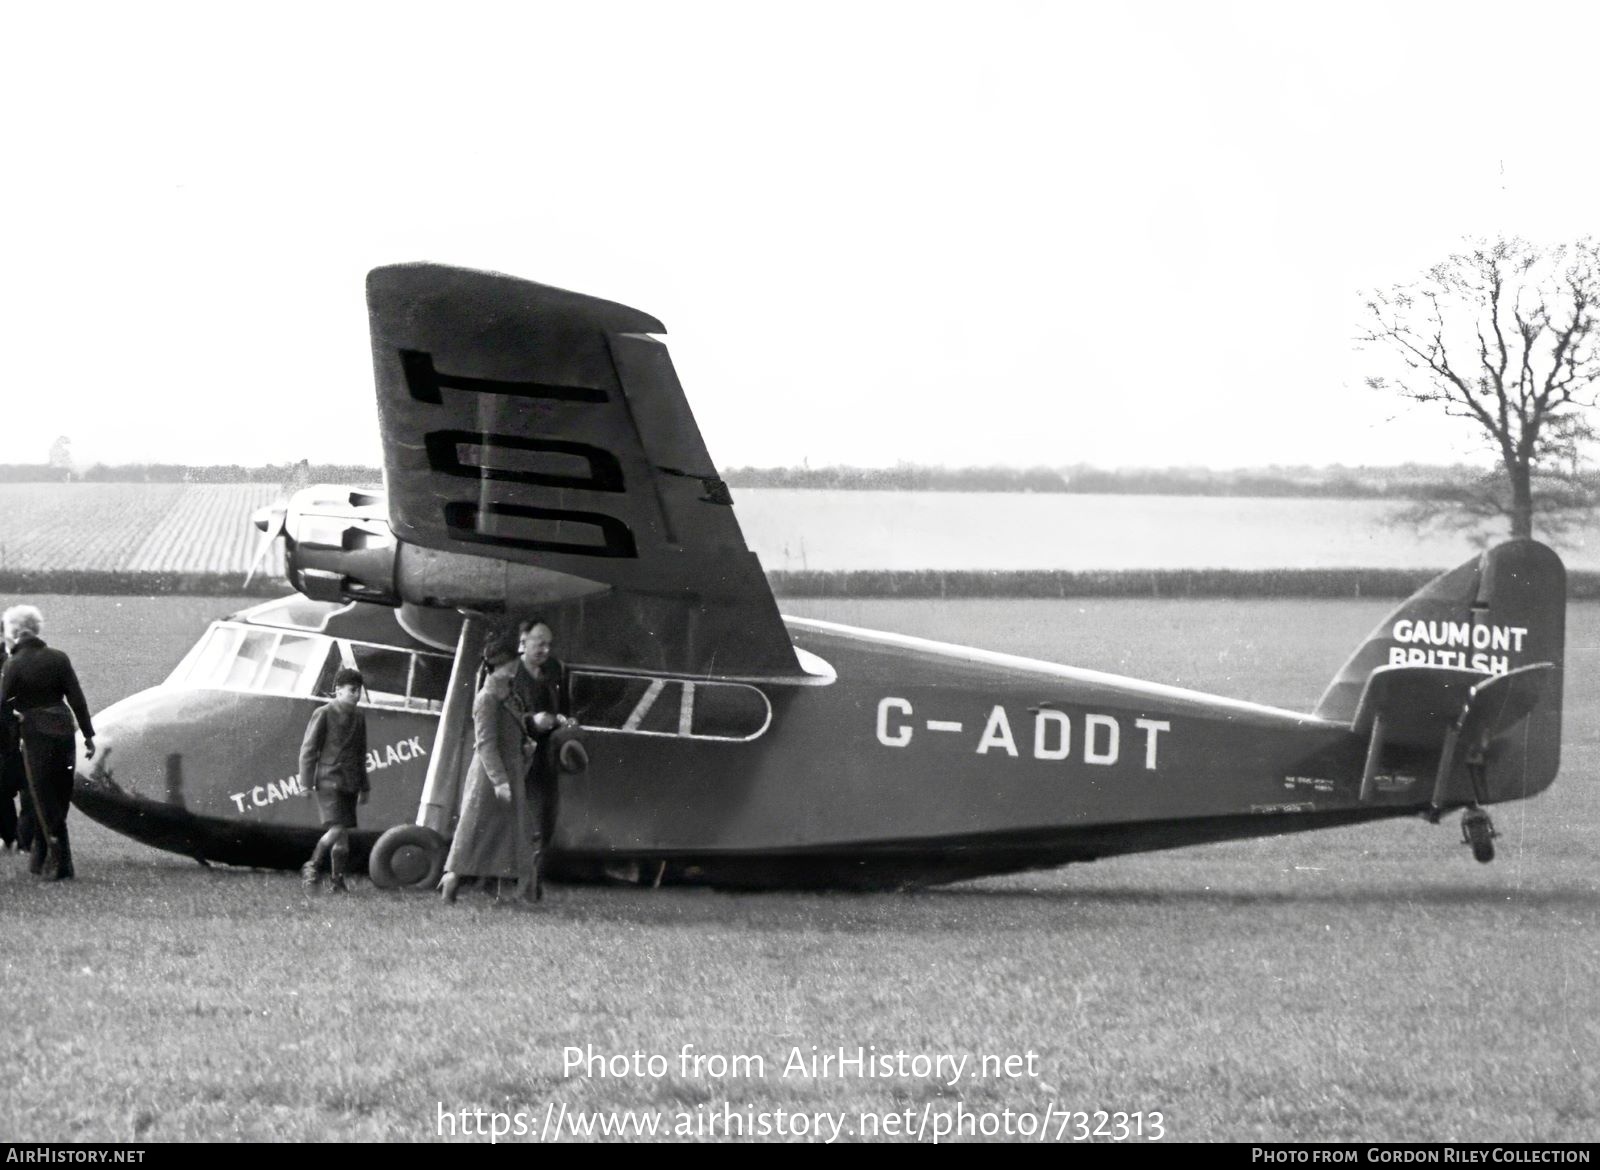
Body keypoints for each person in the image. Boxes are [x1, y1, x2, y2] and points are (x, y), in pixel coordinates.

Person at [438, 627, 540, 903]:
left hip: (510, 771)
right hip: (491, 777)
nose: (516, 665)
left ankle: (496, 889)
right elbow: (485, 744)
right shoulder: (487, 698)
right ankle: (452, 878)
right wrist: (499, 781)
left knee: (501, 832)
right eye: (511, 661)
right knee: (476, 831)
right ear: (501, 665)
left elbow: (513, 727)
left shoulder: (507, 693)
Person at [0, 605, 95, 880]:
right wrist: (88, 736)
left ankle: (61, 864)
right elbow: (77, 699)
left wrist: (14, 728)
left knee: (43, 798)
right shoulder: (59, 658)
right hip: (65, 730)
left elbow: (2, 704)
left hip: (35, 734)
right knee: (60, 794)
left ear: (14, 632)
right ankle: (39, 859)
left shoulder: (13, 664)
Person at [512, 619, 575, 900]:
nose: (545, 650)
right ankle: (516, 884)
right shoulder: (509, 673)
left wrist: (566, 721)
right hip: (515, 758)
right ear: (524, 641)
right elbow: (496, 714)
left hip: (546, 761)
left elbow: (566, 709)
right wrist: (530, 720)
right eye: (540, 643)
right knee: (518, 821)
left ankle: (531, 885)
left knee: (545, 821)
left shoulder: (557, 671)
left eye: (549, 644)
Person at [298, 667, 369, 892]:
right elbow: (308, 750)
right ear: (338, 691)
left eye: (359, 691)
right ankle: (313, 866)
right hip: (329, 780)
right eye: (352, 690)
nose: (356, 695)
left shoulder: (359, 717)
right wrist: (305, 782)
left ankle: (337, 881)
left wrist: (364, 787)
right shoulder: (324, 713)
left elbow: (361, 754)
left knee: (342, 835)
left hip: (350, 783)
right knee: (338, 828)